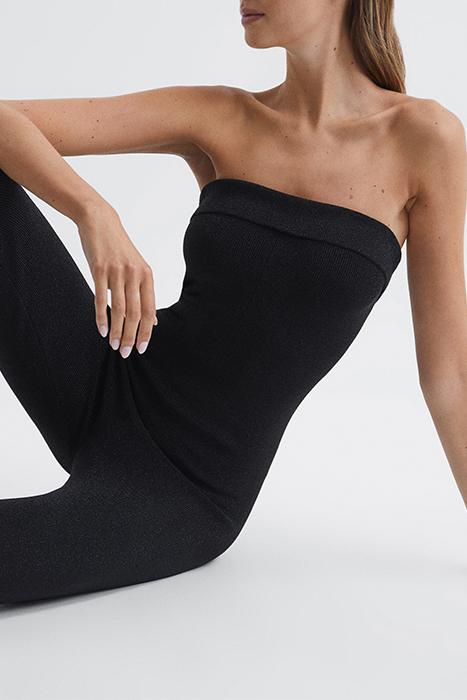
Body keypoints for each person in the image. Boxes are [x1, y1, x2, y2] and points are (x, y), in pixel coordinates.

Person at [0, 0, 465, 605]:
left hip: (182, 488)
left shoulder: (424, 139)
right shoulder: (220, 115)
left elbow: (450, 376)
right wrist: (94, 213)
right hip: (102, 377)